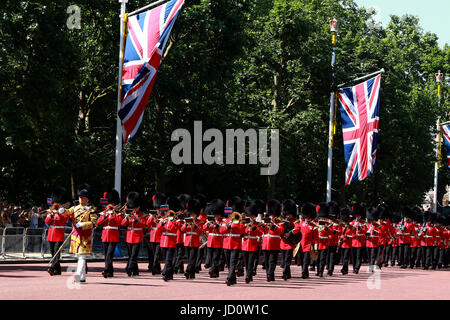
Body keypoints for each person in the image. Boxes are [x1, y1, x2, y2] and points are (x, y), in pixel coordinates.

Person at [61, 183, 98, 283]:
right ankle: (82, 277)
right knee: (80, 257)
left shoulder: (92, 210)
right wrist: (62, 210)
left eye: (83, 198)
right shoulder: (75, 208)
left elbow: (94, 223)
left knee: (81, 256)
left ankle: (77, 277)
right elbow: (68, 212)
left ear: (87, 199)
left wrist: (83, 224)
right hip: (76, 235)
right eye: (80, 197)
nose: (81, 199)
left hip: (85, 236)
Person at [97, 189, 122, 278]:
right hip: (105, 235)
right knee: (106, 254)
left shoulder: (118, 213)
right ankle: (110, 272)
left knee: (109, 254)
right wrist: (106, 215)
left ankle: (106, 270)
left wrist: (113, 213)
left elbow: (119, 222)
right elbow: (99, 222)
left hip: (113, 235)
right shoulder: (104, 213)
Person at [45, 187, 70, 276]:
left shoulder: (63, 212)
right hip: (51, 234)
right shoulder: (51, 211)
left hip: (59, 234)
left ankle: (52, 268)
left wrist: (59, 213)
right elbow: (47, 221)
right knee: (53, 252)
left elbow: (64, 220)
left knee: (57, 252)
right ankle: (58, 269)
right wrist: (51, 215)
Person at [121, 191, 146, 277]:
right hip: (129, 236)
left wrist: (136, 220)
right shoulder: (128, 214)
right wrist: (127, 218)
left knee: (134, 255)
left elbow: (144, 225)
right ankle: (135, 271)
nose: (134, 209)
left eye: (135, 207)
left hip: (137, 236)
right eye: (133, 207)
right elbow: (123, 223)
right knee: (131, 254)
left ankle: (129, 268)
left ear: (138, 207)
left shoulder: (142, 215)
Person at [158, 205, 183, 281]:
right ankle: (170, 274)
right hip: (163, 242)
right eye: (169, 215)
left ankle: (165, 273)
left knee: (168, 259)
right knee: (166, 259)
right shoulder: (163, 220)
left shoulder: (176, 221)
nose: (170, 216)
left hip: (171, 242)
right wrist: (161, 224)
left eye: (171, 215)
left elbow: (179, 227)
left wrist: (174, 220)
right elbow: (159, 229)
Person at [180, 199, 204, 279]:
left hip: (195, 242)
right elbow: (182, 230)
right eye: (191, 214)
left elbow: (200, 232)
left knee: (192, 258)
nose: (192, 215)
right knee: (190, 258)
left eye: (194, 214)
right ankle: (192, 273)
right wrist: (186, 225)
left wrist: (195, 226)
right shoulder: (186, 221)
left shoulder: (199, 222)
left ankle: (187, 270)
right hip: (187, 242)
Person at [220, 209, 245, 286]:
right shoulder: (225, 221)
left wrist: (235, 225)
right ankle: (233, 279)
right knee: (228, 262)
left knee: (232, 262)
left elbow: (242, 231)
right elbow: (221, 231)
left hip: (235, 244)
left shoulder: (239, 221)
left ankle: (229, 278)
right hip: (226, 244)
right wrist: (227, 227)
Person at [261, 199, 284, 282]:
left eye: (273, 215)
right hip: (265, 244)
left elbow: (280, 231)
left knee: (272, 261)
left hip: (274, 244)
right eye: (270, 214)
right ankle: (269, 275)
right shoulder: (266, 222)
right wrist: (263, 225)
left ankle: (270, 274)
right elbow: (261, 231)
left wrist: (273, 224)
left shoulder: (279, 222)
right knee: (266, 262)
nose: (271, 216)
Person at [203, 199, 226, 278]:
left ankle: (212, 270)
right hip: (210, 241)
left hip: (218, 242)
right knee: (210, 257)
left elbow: (223, 231)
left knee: (215, 258)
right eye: (215, 215)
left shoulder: (223, 222)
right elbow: (204, 228)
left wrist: (217, 226)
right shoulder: (210, 221)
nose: (216, 216)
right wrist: (209, 225)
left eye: (217, 215)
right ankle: (215, 273)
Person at [242, 200, 262, 283]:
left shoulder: (257, 224)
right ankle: (248, 274)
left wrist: (254, 227)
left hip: (253, 244)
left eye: (253, 216)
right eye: (250, 216)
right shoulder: (243, 223)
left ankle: (248, 276)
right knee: (246, 262)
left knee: (250, 262)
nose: (251, 217)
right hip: (245, 244)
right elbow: (240, 231)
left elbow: (260, 233)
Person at [147, 193, 167, 275]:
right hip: (153, 236)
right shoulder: (153, 215)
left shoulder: (164, 216)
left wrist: (159, 219)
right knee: (155, 252)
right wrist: (152, 217)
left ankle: (154, 266)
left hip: (160, 236)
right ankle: (157, 269)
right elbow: (148, 224)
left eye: (159, 209)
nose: (158, 210)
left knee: (157, 253)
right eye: (157, 209)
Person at [280, 199, 298, 280]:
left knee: (287, 260)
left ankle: (284, 273)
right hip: (283, 243)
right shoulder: (283, 221)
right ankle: (288, 274)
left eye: (290, 214)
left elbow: (297, 228)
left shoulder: (295, 221)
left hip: (290, 243)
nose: (288, 215)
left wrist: (290, 233)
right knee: (284, 260)